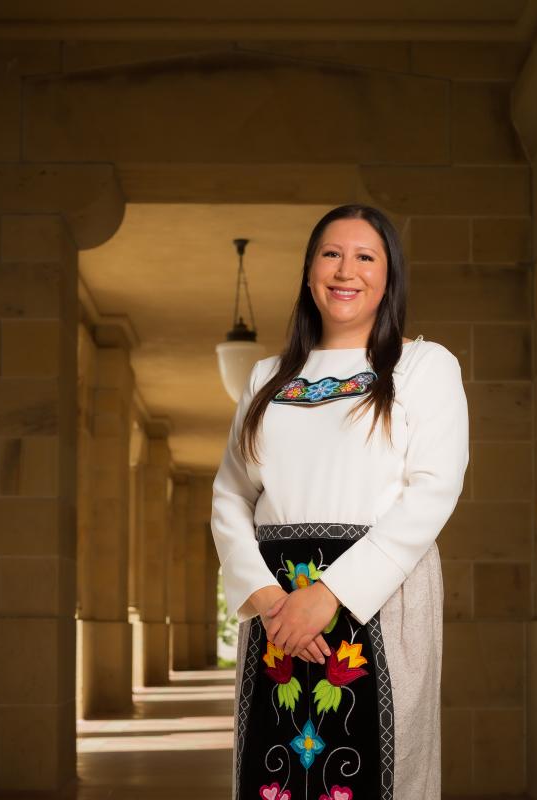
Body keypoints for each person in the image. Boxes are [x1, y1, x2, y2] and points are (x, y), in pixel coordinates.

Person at [210, 204, 469, 800]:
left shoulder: (423, 367)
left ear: (389, 276)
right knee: (272, 773)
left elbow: (433, 491)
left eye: (365, 256)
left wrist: (328, 596)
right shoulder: (267, 378)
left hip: (376, 598)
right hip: (277, 605)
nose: (345, 270)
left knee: (378, 774)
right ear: (308, 273)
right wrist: (273, 602)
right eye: (331, 254)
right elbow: (230, 494)